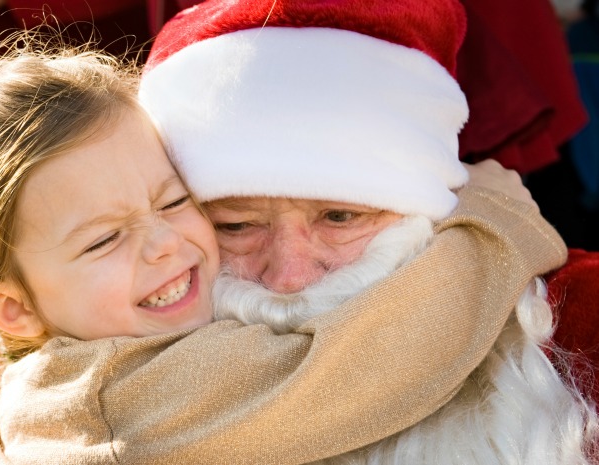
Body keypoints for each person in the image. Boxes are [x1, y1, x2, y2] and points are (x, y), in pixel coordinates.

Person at [0, 31, 569, 465]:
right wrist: (491, 218)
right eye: (105, 238)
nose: (168, 244)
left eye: (173, 200)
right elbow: (381, 360)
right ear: (13, 310)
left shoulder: (70, 376)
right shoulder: (115, 403)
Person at [138, 0, 599, 463]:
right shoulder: (122, 345)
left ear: (418, 208)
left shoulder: (584, 309)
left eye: (339, 217)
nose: (289, 277)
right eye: (235, 225)